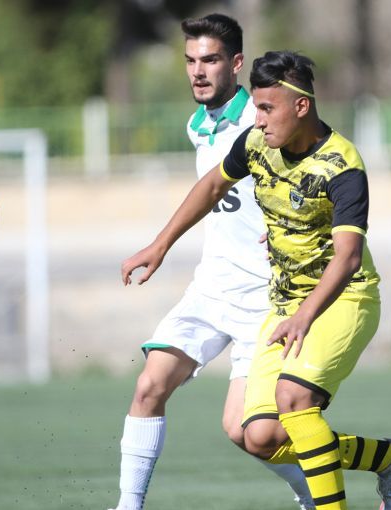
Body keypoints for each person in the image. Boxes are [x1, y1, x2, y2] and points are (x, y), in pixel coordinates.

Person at [121, 50, 391, 510]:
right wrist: (160, 244)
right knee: (259, 436)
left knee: (294, 399)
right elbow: (212, 186)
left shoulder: (342, 166)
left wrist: (304, 315)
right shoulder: (257, 144)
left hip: (344, 299)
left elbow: (347, 258)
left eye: (266, 108)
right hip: (286, 306)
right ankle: (388, 458)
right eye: (256, 108)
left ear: (301, 106)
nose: (257, 120)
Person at [110, 14, 312, 510]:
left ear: (236, 63)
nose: (198, 71)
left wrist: (294, 226)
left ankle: (317, 494)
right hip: (212, 286)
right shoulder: (197, 125)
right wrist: (159, 245)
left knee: (246, 432)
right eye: (190, 61)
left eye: (210, 60)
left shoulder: (263, 121)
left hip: (263, 298)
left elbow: (310, 173)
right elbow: (211, 192)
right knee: (149, 386)